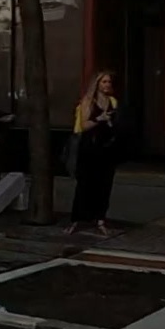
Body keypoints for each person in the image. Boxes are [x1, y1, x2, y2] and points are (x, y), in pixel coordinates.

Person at [66, 64, 127, 234]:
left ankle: (100, 218)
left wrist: (113, 124)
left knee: (105, 184)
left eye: (109, 82)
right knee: (85, 184)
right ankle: (77, 219)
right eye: (104, 82)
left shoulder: (112, 101)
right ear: (97, 84)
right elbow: (84, 125)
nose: (107, 85)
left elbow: (116, 124)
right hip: (89, 148)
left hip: (107, 148)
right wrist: (99, 119)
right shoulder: (88, 101)